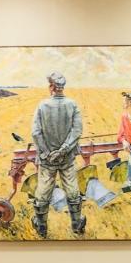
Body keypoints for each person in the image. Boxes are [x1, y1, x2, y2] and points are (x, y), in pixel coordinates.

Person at [31, 72, 85, 238]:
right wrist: (63, 150)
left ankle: (41, 227)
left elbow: (36, 133)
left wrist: (48, 153)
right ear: (62, 87)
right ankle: (76, 224)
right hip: (67, 158)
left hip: (47, 160)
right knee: (72, 188)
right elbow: (77, 131)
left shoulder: (42, 106)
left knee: (43, 189)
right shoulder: (72, 104)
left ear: (51, 87)